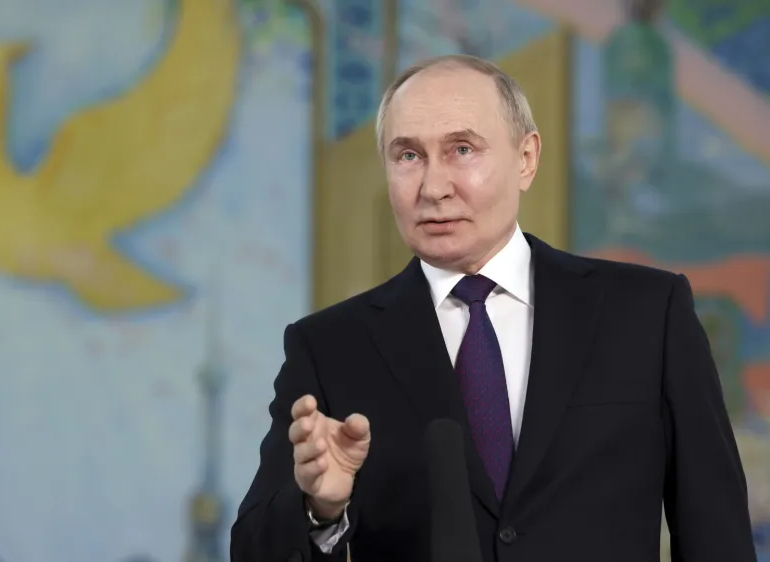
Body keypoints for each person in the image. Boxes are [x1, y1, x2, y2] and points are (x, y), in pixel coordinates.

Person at [229, 54, 756, 562]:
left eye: (462, 150)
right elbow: (254, 547)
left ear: (526, 158)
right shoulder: (330, 347)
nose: (434, 188)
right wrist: (321, 508)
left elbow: (716, 534)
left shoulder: (647, 314)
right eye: (408, 155)